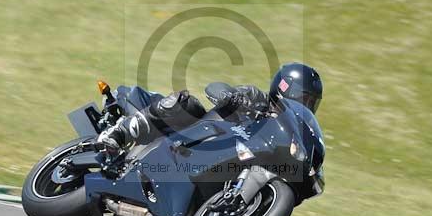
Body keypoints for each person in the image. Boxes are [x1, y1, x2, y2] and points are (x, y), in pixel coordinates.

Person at [97, 62, 323, 157]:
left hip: (219, 159)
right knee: (187, 103)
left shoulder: (282, 132)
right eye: (305, 98)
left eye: (312, 103)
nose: (306, 106)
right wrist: (233, 98)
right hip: (194, 135)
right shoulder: (257, 98)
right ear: (286, 88)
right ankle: (118, 133)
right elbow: (214, 88)